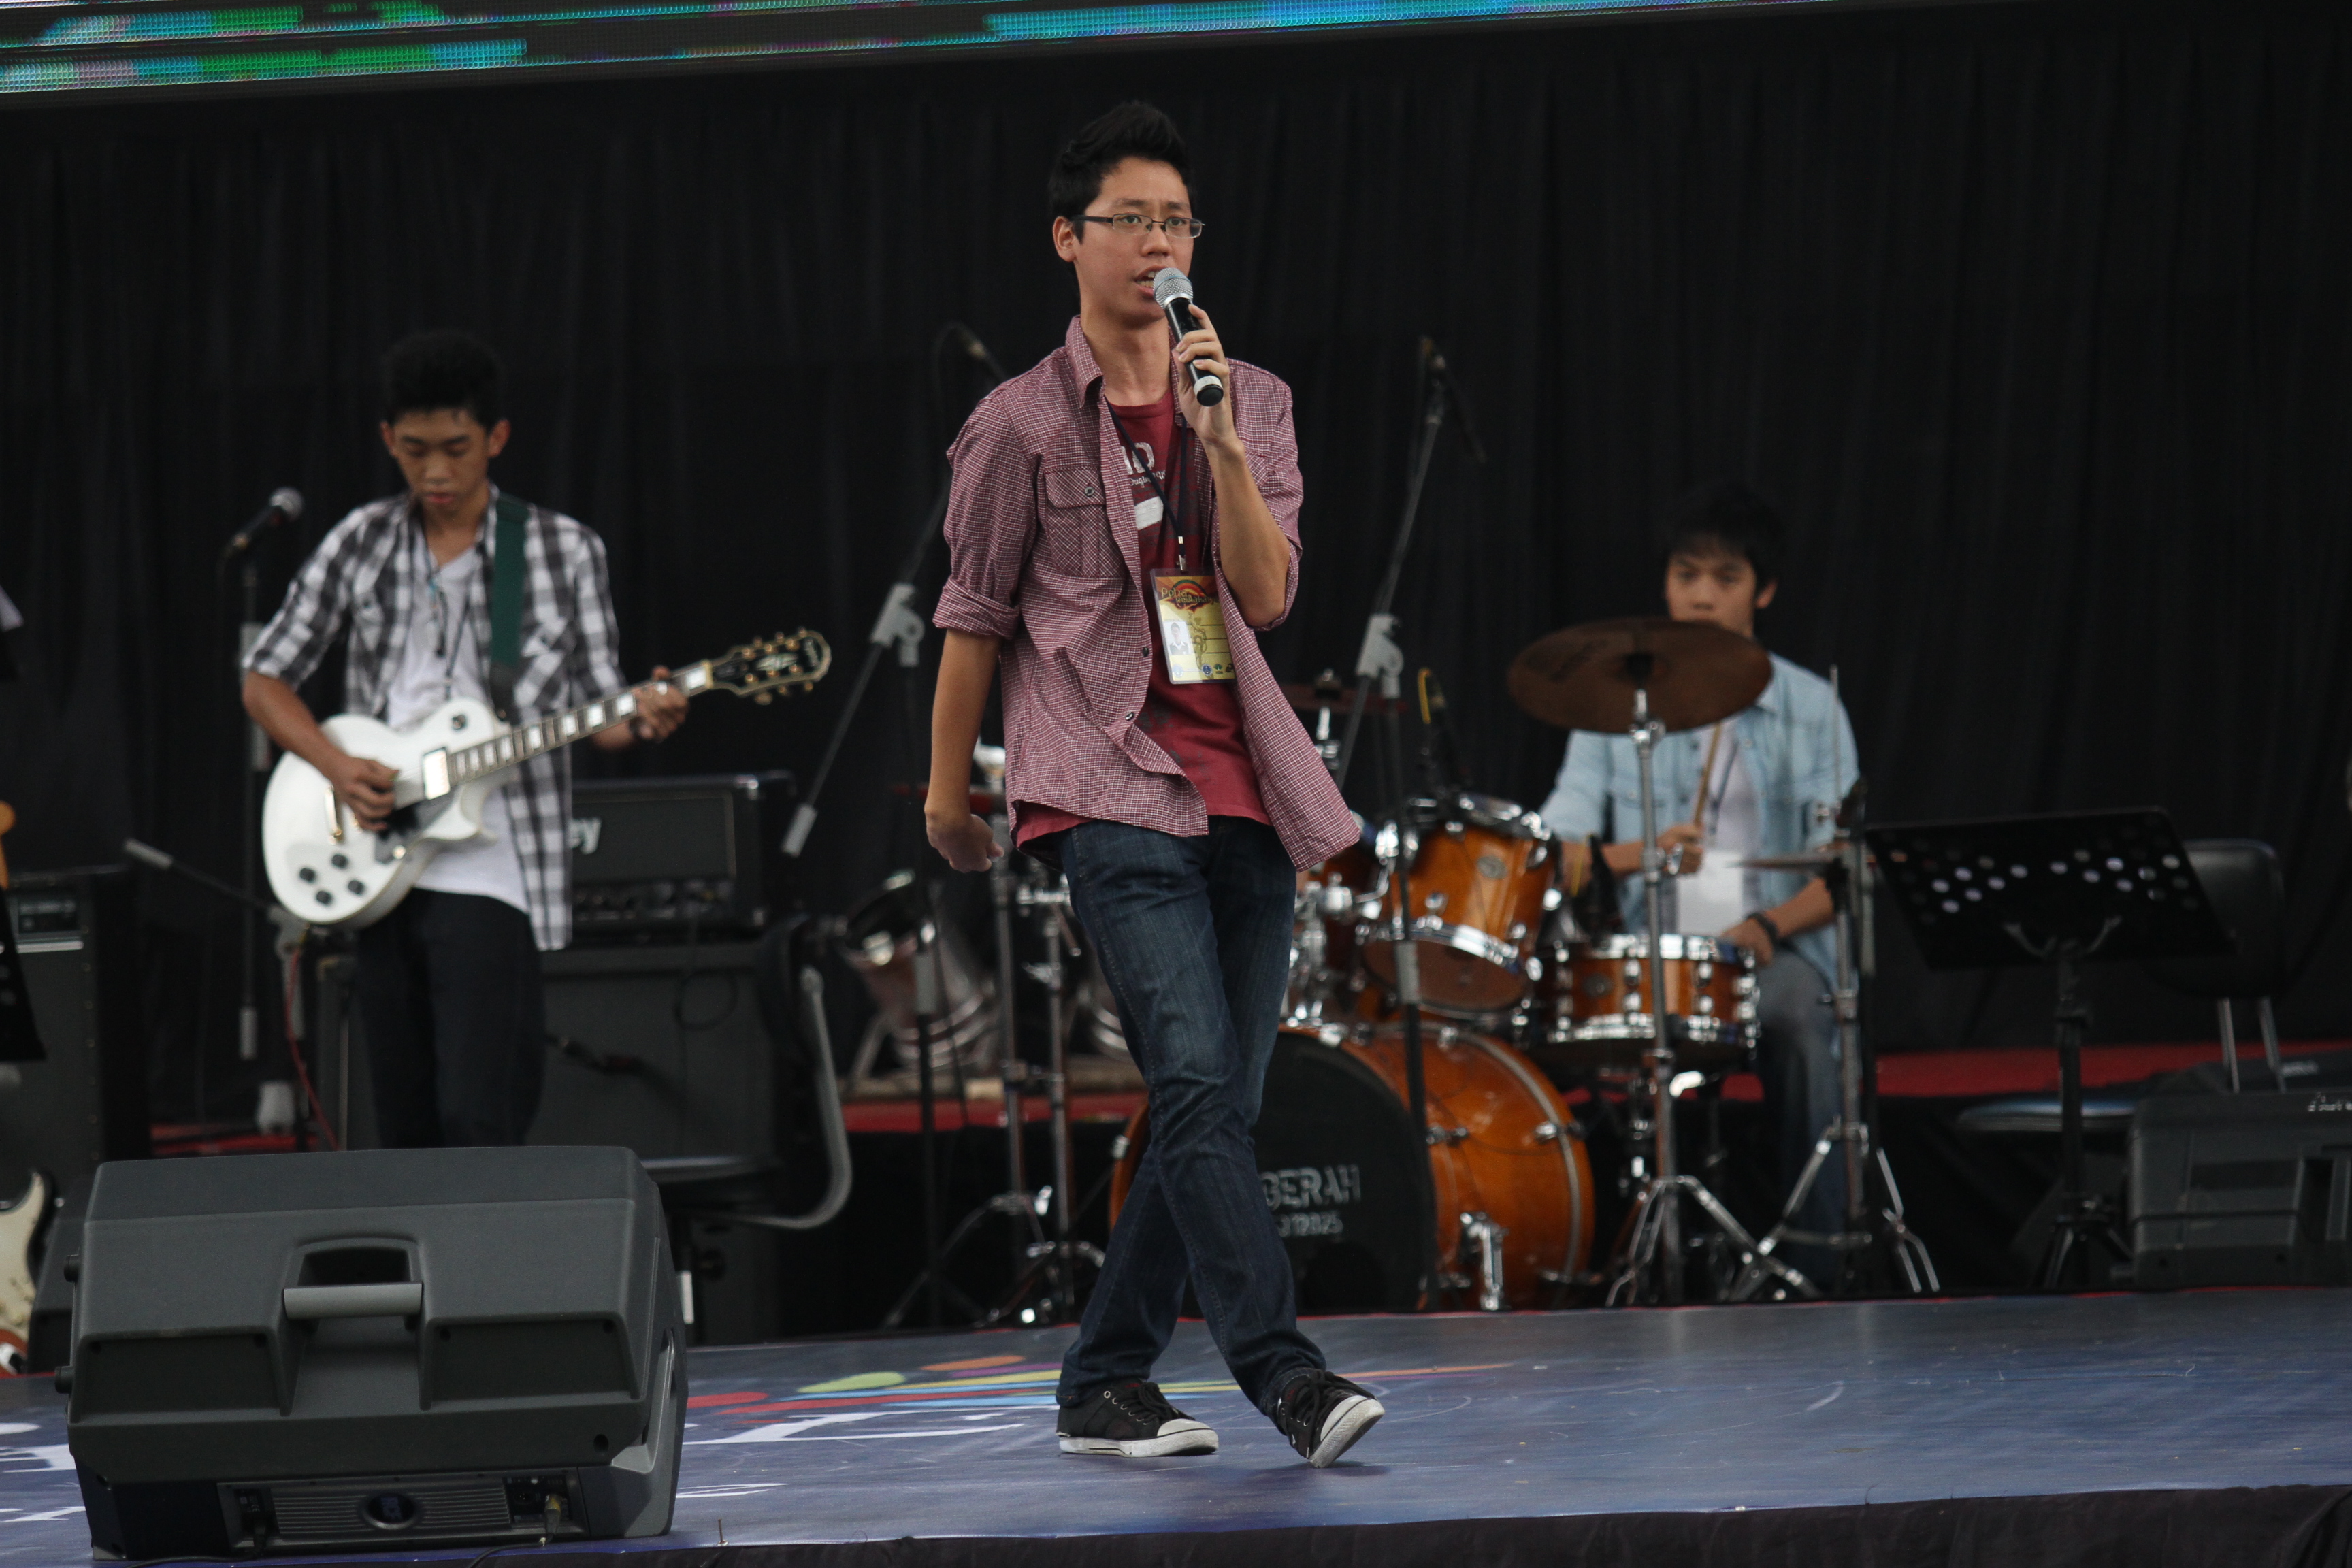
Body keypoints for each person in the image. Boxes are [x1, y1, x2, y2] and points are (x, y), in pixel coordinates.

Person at [924, 103, 1384, 1467]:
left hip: (1247, 788)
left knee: (1217, 1107)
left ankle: (1104, 1377)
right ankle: (1286, 1376)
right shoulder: (1016, 424)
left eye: (1176, 220)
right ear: (1067, 238)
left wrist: (1222, 441)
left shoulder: (1256, 399)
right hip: (1104, 782)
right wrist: (948, 795)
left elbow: (1267, 594)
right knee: (1191, 1076)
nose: (1157, 243)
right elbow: (972, 618)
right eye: (1129, 219)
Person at [242, 330, 687, 1147]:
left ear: (496, 438)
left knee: (480, 1119)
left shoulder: (560, 549)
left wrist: (646, 714)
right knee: (401, 1123)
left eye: (455, 448)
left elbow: (607, 714)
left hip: (492, 860)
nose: (436, 472)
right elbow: (263, 678)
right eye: (415, 451)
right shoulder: (361, 540)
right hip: (378, 853)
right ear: (388, 441)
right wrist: (338, 767)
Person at [1539, 480, 1858, 1283]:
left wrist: (1768, 929)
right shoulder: (1614, 707)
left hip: (1769, 952)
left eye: (1726, 577)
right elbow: (1555, 851)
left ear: (1765, 590)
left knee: (1797, 1019)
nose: (1703, 596)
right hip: (1651, 953)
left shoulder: (1811, 707)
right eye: (1687, 576)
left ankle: (1821, 1261)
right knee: (1548, 1016)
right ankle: (1589, 1256)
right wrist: (1639, 853)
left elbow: (1843, 869)